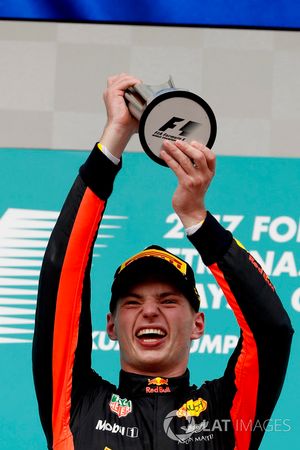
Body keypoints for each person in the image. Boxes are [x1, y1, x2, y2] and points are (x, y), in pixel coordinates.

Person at [32, 74, 293, 450]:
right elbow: (62, 273)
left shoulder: (226, 414)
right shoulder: (76, 405)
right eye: (133, 302)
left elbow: (272, 331)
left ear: (198, 324)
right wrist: (113, 142)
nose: (150, 312)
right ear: (110, 325)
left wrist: (197, 221)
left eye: (169, 301)